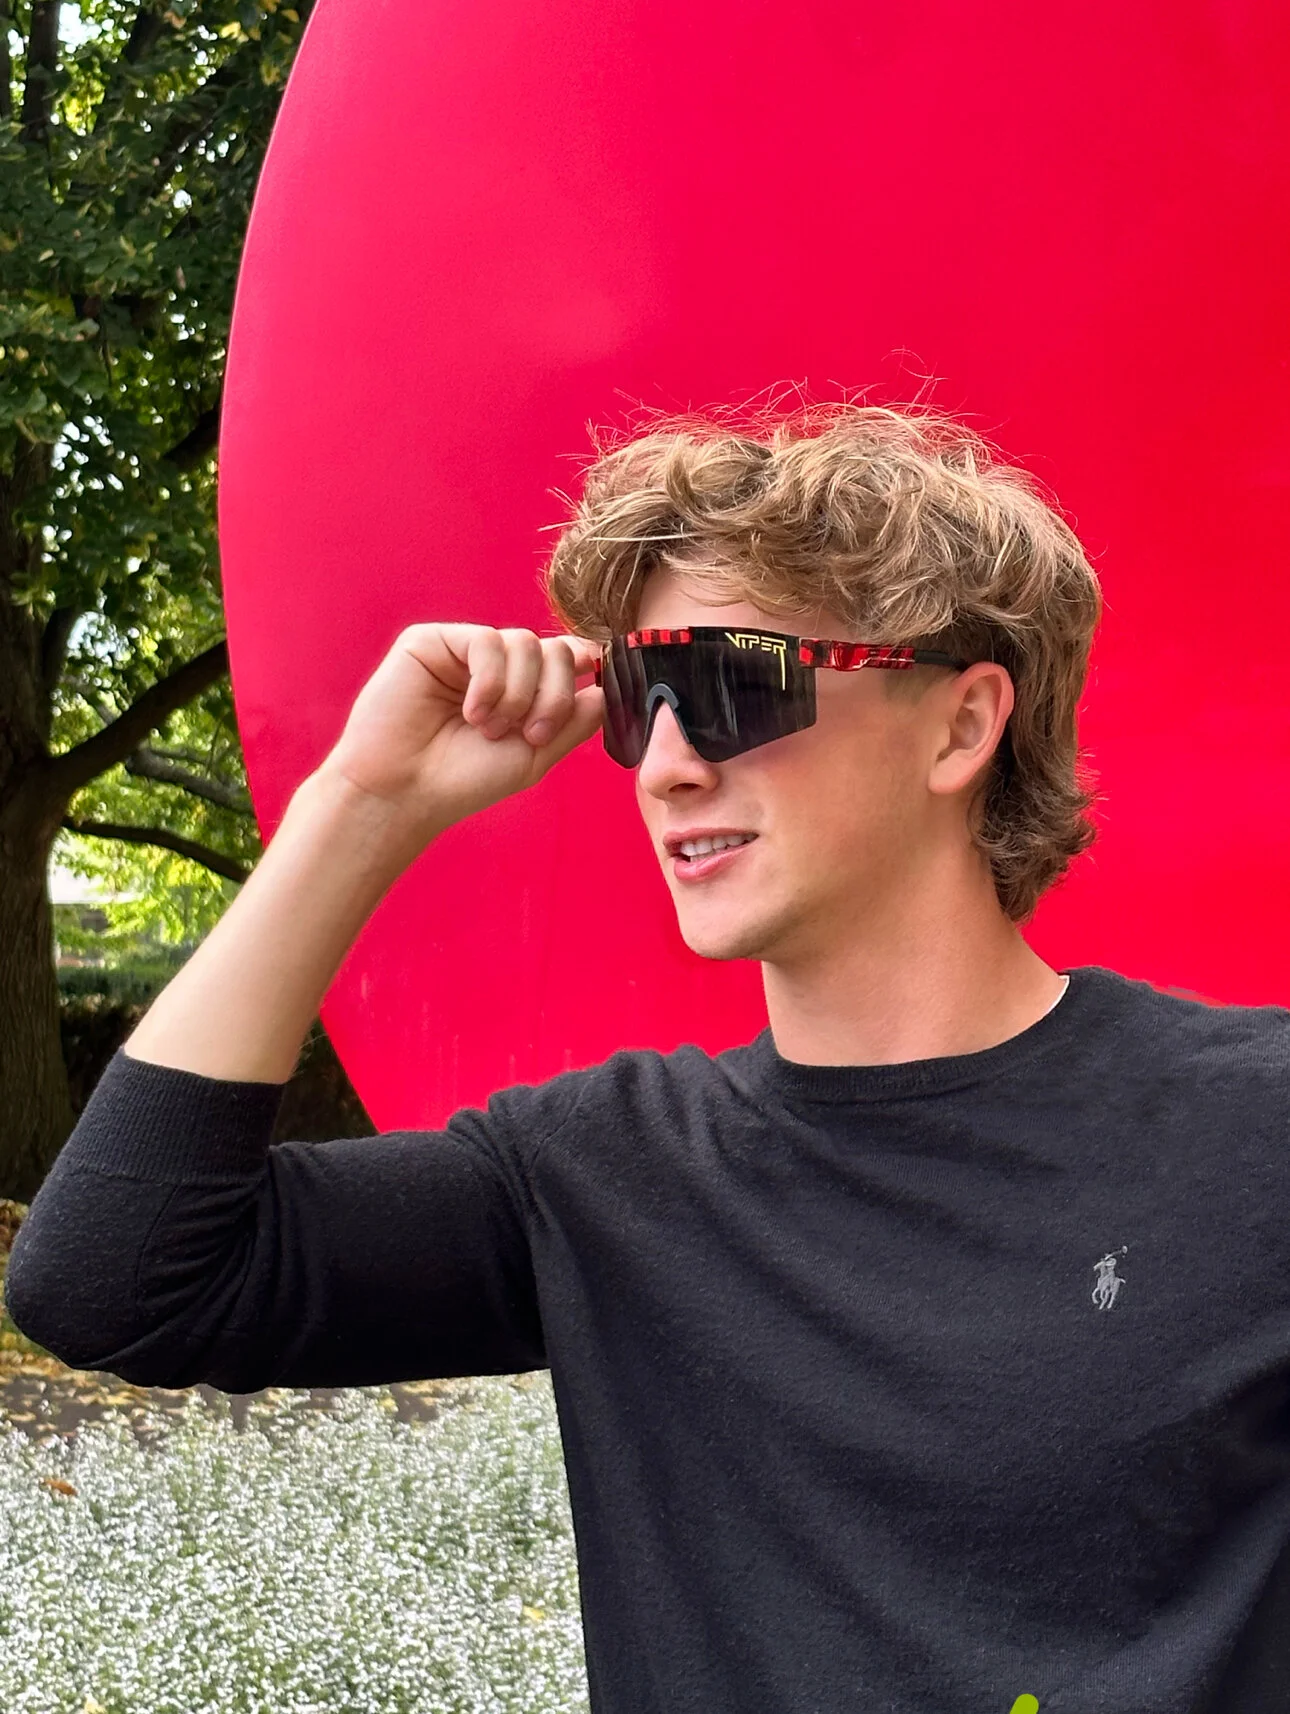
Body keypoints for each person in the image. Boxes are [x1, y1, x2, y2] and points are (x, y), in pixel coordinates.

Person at [8, 402, 1290, 1714]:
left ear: (960, 727)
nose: (664, 765)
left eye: (732, 686)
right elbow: (112, 1278)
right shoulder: (601, 1178)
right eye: (639, 698)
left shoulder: (1256, 1129)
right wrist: (362, 805)